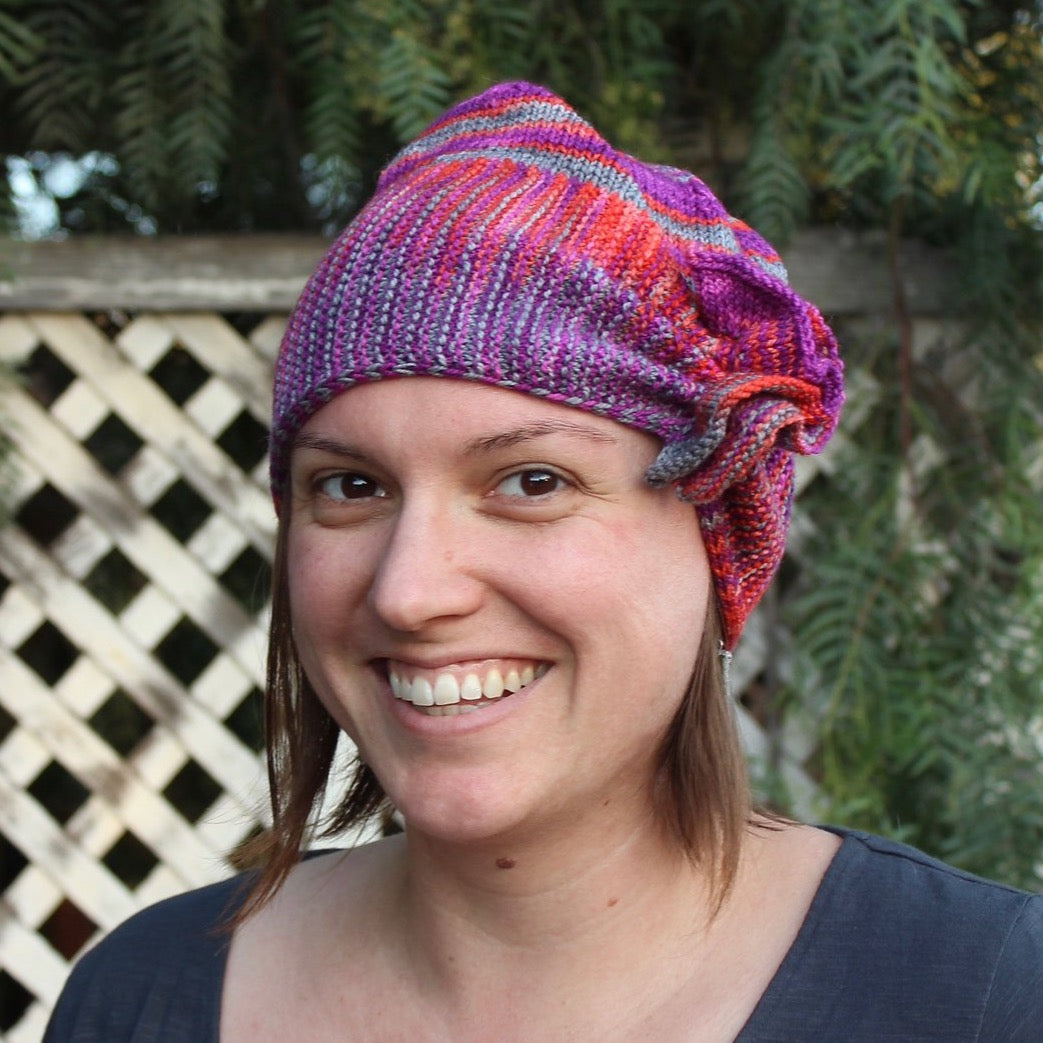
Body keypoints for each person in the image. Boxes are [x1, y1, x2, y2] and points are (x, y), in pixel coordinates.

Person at [45, 81, 1041, 1042]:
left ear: (713, 533)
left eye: (530, 481)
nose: (410, 589)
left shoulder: (984, 996)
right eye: (350, 486)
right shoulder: (142, 995)